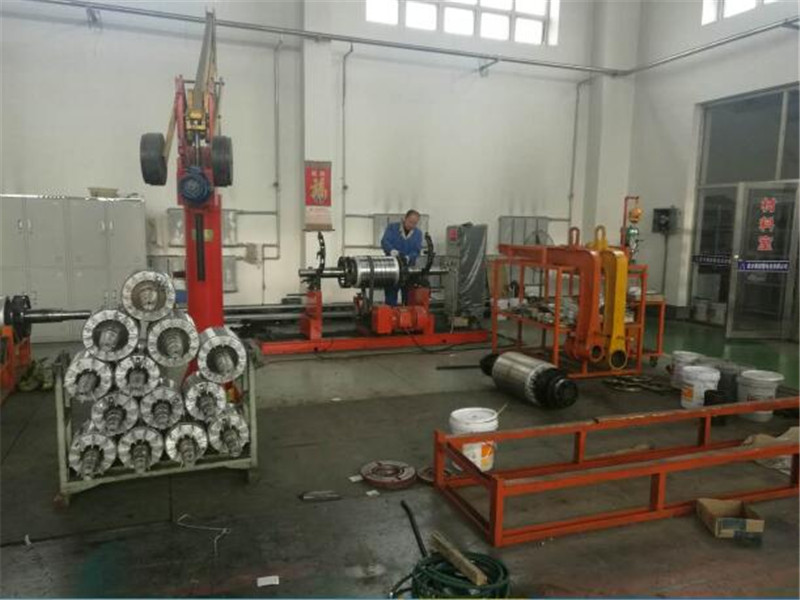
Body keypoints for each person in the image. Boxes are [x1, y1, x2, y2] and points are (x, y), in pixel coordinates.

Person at [380, 209, 423, 306]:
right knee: (390, 297)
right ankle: (391, 312)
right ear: (405, 218)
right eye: (410, 222)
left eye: (415, 223)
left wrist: (408, 257)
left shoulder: (418, 233)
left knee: (409, 299)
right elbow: (385, 241)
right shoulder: (392, 228)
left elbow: (416, 251)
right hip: (392, 269)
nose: (412, 225)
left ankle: (406, 314)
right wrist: (391, 250)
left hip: (408, 270)